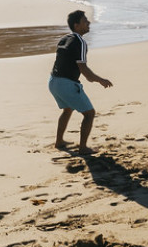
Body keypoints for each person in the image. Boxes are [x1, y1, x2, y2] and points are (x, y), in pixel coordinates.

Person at [48, 10, 113, 154]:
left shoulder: (64, 39)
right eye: (85, 21)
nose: (89, 23)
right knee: (89, 114)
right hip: (66, 84)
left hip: (53, 82)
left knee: (67, 109)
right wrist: (101, 80)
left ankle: (59, 141)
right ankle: (83, 148)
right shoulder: (80, 42)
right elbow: (85, 72)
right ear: (76, 25)